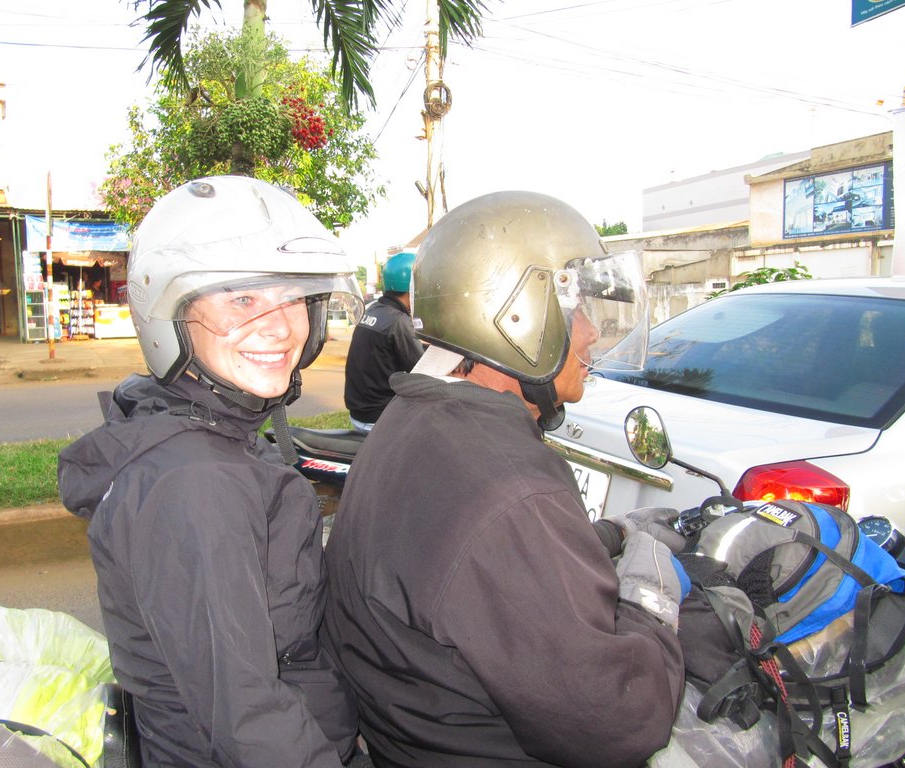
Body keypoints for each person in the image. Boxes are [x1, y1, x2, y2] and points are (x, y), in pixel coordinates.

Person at [321, 191, 688, 768]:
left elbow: (473, 567)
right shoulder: (509, 486)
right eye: (575, 311)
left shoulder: (417, 413)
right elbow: (618, 719)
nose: (591, 333)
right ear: (516, 319)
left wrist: (613, 535)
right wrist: (651, 596)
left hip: (410, 731)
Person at [57, 176, 362, 767]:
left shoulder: (211, 431)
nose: (281, 327)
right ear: (171, 316)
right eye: (242, 300)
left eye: (293, 298)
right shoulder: (195, 482)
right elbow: (249, 719)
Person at [343, 251, 424, 432]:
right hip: (379, 419)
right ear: (412, 288)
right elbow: (424, 371)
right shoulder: (398, 321)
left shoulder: (373, 310)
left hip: (359, 413)